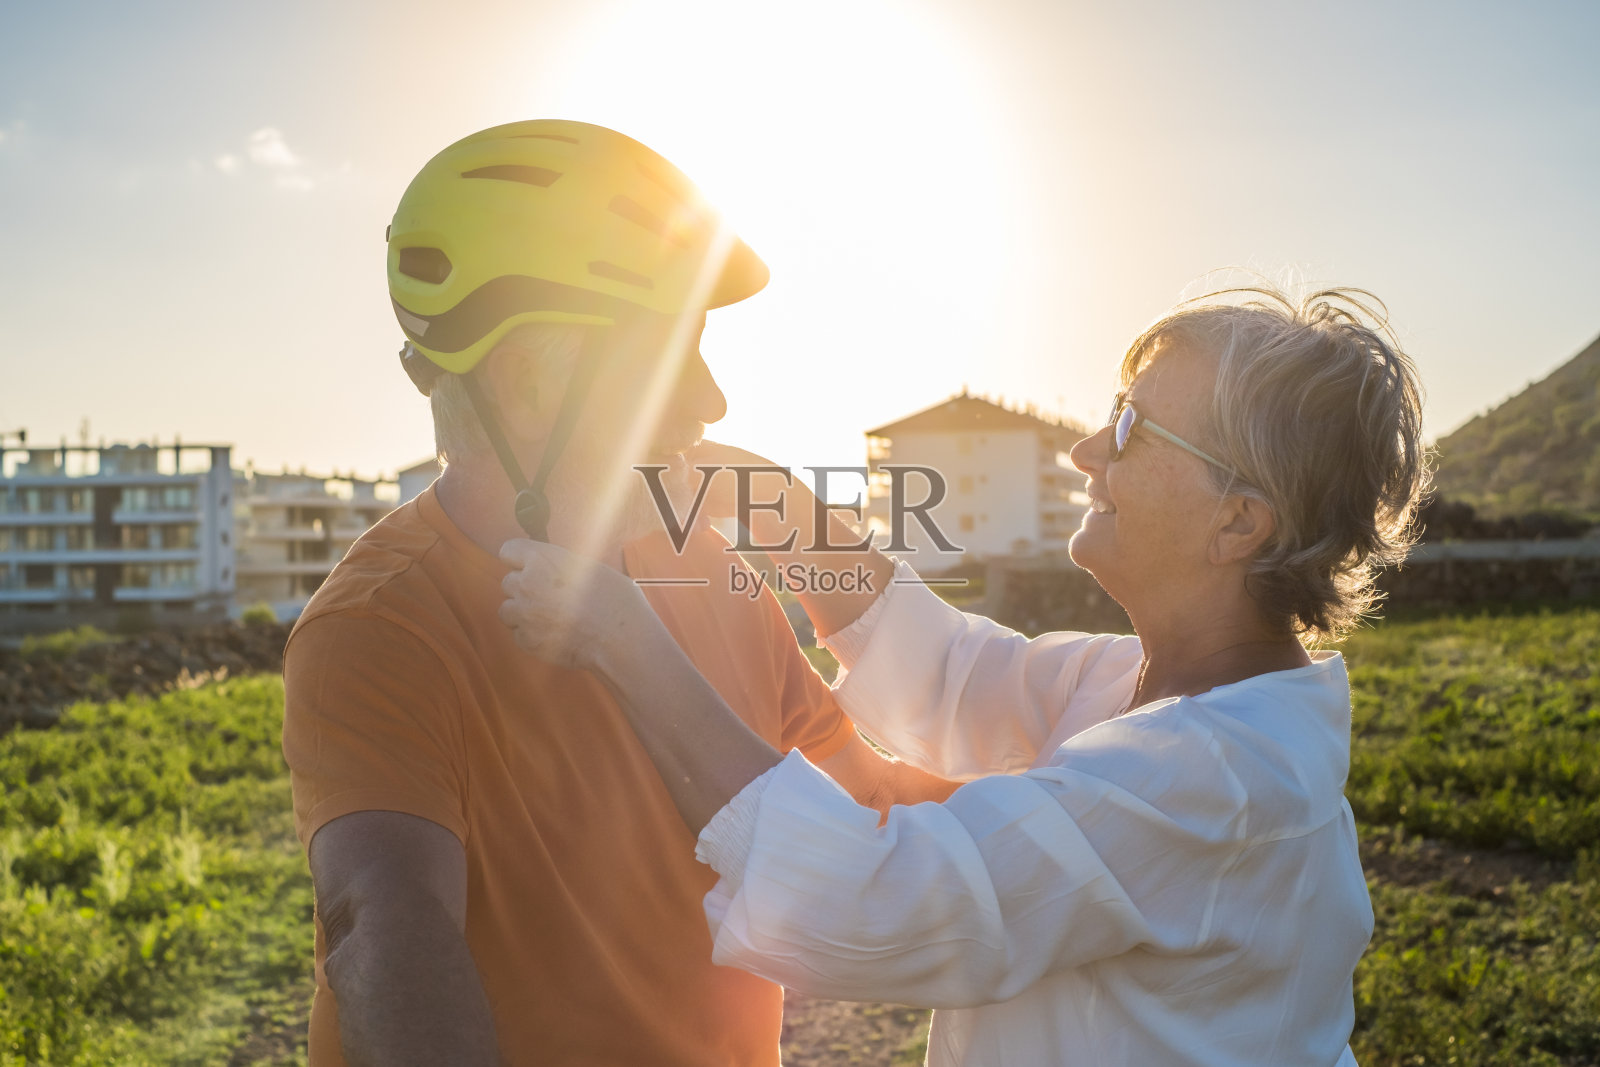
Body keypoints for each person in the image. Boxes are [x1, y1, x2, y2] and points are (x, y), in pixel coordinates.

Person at [499, 286, 1430, 1066]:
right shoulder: (1145, 691)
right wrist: (767, 500)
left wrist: (625, 643)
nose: (1086, 452)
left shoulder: (1212, 778)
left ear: (1238, 524)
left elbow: (884, 902)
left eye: (1132, 427)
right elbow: (954, 670)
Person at [281, 120, 953, 1067]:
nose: (711, 399)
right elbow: (385, 924)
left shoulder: (709, 572)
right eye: (666, 356)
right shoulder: (381, 625)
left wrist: (1111, 812)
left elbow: (866, 798)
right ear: (524, 385)